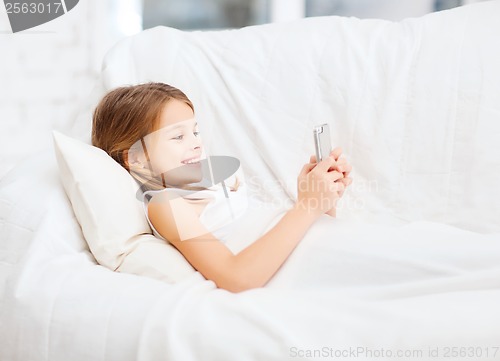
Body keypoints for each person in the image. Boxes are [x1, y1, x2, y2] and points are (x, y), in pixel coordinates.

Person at [91, 82, 353, 293]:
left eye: (195, 132)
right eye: (178, 136)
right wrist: (307, 206)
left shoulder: (211, 190)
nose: (195, 143)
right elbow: (237, 277)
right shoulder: (165, 203)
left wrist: (322, 199)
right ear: (136, 157)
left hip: (325, 250)